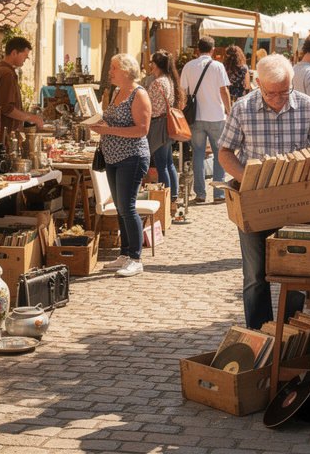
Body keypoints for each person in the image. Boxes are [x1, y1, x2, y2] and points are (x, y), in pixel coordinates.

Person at [217, 54, 310, 329]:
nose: (280, 99)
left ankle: (289, 334)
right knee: (255, 276)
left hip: (298, 206)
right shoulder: (242, 108)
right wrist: (249, 178)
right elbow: (225, 152)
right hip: (255, 203)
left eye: (285, 92)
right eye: (272, 93)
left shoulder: (307, 106)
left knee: (295, 275)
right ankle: (260, 335)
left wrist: (309, 162)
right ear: (257, 83)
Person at [90, 53, 151, 278]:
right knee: (120, 208)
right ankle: (125, 255)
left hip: (132, 157)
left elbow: (142, 130)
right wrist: (101, 124)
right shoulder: (116, 92)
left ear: (126, 70)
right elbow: (116, 122)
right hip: (113, 157)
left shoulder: (139, 93)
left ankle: (135, 258)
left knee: (128, 208)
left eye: (114, 68)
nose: (110, 72)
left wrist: (107, 130)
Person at [180, 37, 231, 203]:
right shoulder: (217, 66)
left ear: (197, 49)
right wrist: (229, 111)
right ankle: (219, 194)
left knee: (198, 155)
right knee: (220, 155)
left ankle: (200, 194)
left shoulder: (188, 66)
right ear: (213, 49)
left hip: (195, 118)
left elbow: (183, 92)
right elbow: (224, 91)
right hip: (216, 116)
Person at [144, 50, 182, 199]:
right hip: (167, 123)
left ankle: (165, 197)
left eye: (152, 64)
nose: (150, 67)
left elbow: (149, 106)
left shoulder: (157, 83)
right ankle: (173, 194)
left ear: (157, 65)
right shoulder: (170, 80)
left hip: (158, 125)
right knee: (168, 162)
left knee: (161, 165)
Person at [0, 36, 46, 135]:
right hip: (7, 133)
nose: (27, 57)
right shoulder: (6, 73)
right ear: (14, 53)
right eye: (24, 54)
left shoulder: (2, 70)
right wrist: (32, 118)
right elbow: (6, 108)